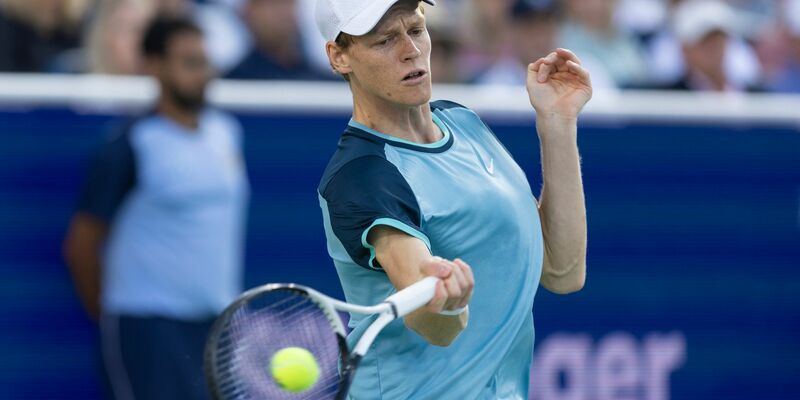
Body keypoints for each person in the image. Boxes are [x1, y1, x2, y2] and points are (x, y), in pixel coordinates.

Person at [314, 0, 590, 398]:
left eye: (415, 29)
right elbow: (433, 324)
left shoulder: (463, 122)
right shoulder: (362, 176)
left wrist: (557, 122)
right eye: (385, 40)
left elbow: (563, 270)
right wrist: (447, 302)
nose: (410, 49)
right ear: (339, 57)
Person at [62, 17, 249, 400]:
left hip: (214, 325)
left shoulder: (226, 132)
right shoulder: (129, 145)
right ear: (154, 66)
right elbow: (81, 245)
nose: (203, 73)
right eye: (189, 62)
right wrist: (118, 318)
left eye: (205, 61)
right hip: (146, 330)